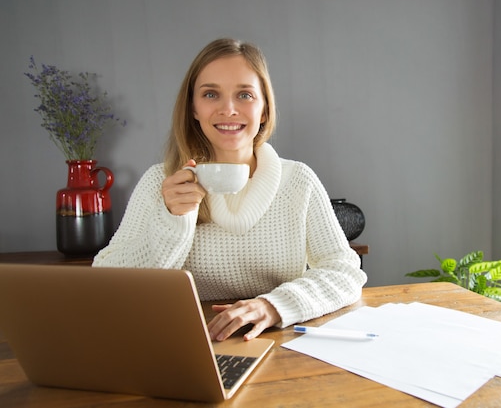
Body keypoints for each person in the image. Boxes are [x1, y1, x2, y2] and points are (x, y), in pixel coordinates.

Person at [93, 38, 367, 342]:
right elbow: (107, 281)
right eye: (211, 94)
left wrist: (273, 306)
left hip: (276, 340)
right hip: (182, 341)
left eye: (245, 95)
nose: (228, 109)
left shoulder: (298, 181)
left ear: (264, 110)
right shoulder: (161, 182)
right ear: (193, 109)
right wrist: (171, 220)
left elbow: (345, 271)